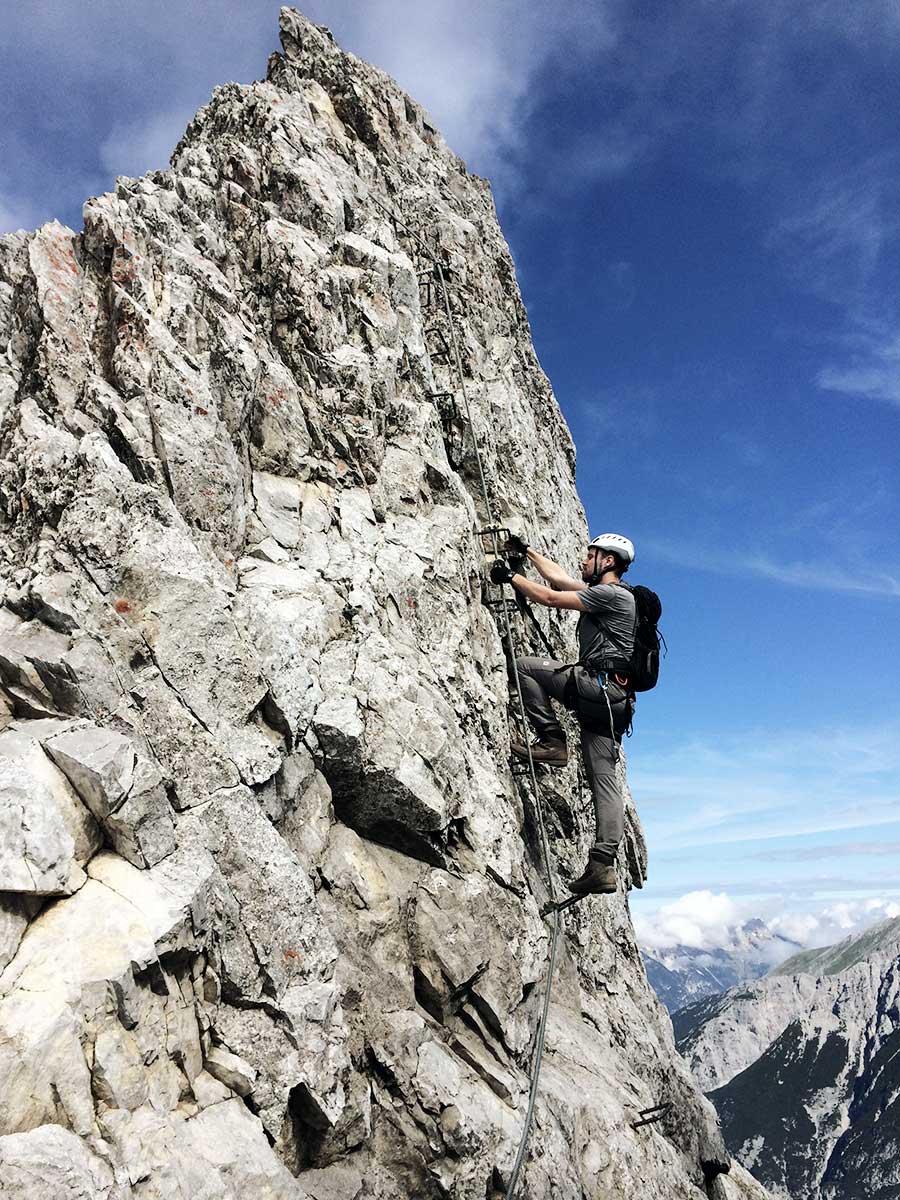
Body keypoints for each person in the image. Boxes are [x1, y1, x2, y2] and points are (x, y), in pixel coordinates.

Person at [490, 533, 637, 896]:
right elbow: (557, 580)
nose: (584, 561)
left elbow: (552, 597)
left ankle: (552, 741)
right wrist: (527, 552)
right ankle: (602, 864)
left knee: (525, 667)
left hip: (597, 687)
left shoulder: (612, 594)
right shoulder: (614, 596)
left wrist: (510, 578)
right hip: (615, 703)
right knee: (604, 782)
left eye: (591, 556)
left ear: (608, 561)